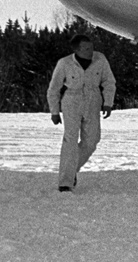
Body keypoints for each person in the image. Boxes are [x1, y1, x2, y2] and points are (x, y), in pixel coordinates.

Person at [47, 33, 116, 192]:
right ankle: (65, 182)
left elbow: (109, 82)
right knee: (70, 140)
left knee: (92, 140)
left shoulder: (100, 60)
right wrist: (54, 111)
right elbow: (54, 89)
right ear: (77, 50)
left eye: (91, 47)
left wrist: (108, 103)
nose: (90, 51)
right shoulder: (64, 63)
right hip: (72, 100)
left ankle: (71, 170)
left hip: (93, 101)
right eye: (86, 48)